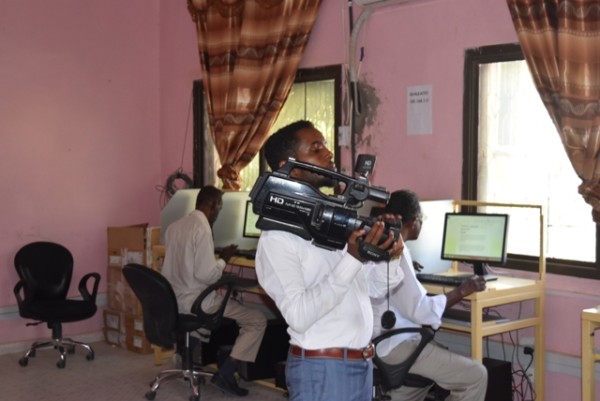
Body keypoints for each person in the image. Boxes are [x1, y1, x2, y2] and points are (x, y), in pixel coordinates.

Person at [255, 120, 405, 401]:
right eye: (316, 148)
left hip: (360, 364)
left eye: (324, 145)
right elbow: (299, 316)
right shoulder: (277, 238)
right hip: (322, 370)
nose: (328, 153)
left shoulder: (328, 223)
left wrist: (391, 254)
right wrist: (352, 258)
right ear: (290, 168)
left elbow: (373, 289)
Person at [371, 189, 488, 401]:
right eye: (421, 219)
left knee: (423, 379)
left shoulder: (377, 243)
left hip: (376, 343)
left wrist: (409, 268)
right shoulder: (398, 252)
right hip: (395, 346)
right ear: (412, 221)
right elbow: (420, 311)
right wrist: (463, 290)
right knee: (476, 375)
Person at [161, 185, 267, 397]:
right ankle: (226, 373)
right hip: (196, 302)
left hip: (175, 301)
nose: (218, 214)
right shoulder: (201, 228)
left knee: (214, 302)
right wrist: (224, 259)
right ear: (211, 205)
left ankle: (188, 359)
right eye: (219, 208)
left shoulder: (174, 226)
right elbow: (206, 276)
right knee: (257, 320)